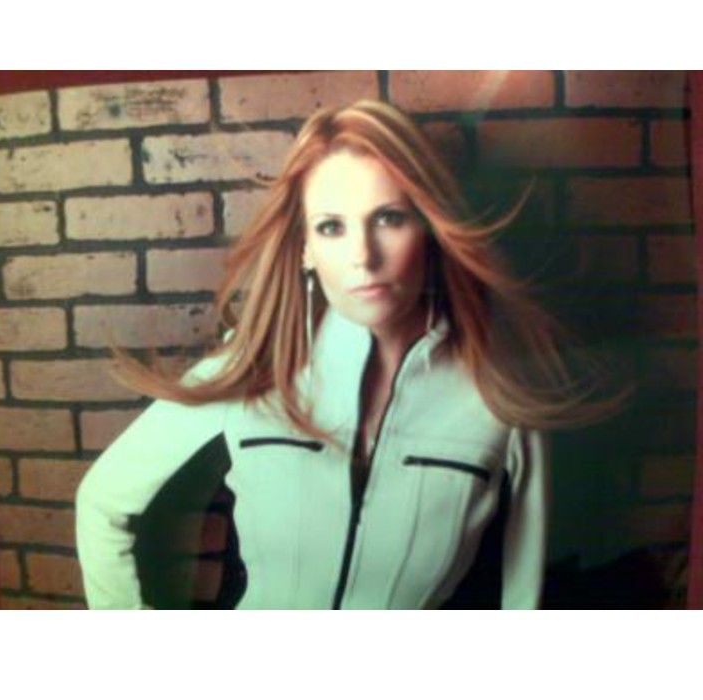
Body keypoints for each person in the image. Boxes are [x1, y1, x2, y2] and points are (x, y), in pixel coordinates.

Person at [76, 99, 615, 610]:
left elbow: (523, 600)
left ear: (430, 230)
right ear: (306, 249)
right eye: (332, 227)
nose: (363, 255)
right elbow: (101, 503)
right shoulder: (252, 371)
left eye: (390, 218)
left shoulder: (502, 397)